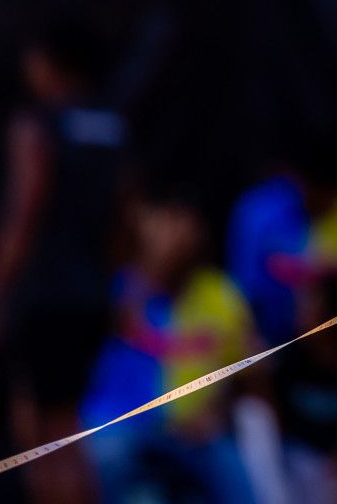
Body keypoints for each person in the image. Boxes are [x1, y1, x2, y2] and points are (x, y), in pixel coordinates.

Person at [0, 21, 130, 504]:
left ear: (51, 62)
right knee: (68, 426)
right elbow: (124, 214)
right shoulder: (113, 127)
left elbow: (24, 211)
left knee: (41, 436)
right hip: (91, 296)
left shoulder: (37, 125)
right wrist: (115, 286)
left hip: (46, 297)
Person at [82, 183, 261, 504]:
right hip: (121, 430)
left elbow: (249, 372)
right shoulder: (123, 285)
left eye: (183, 223)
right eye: (166, 221)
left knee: (237, 479)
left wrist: (216, 411)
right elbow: (124, 321)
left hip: (197, 436)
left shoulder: (220, 293)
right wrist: (154, 261)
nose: (175, 233)